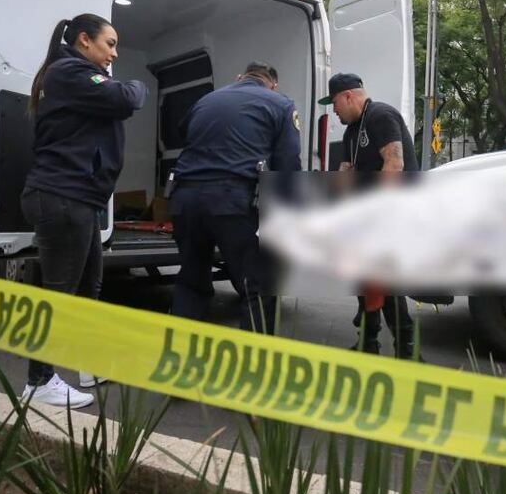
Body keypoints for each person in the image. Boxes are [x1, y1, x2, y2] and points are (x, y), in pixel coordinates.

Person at [21, 14, 148, 408]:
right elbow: (126, 98)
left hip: (79, 198)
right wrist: (139, 82)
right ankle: (38, 382)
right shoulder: (69, 72)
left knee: (89, 285)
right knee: (60, 293)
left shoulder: (75, 74)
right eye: (109, 44)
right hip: (62, 195)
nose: (113, 52)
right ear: (83, 40)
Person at [169, 62, 301, 333]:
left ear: (240, 77)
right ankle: (254, 368)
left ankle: (179, 356)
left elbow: (183, 133)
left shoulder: (206, 100)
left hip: (186, 200)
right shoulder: (280, 103)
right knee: (258, 287)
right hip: (234, 201)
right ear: (272, 84)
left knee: (191, 282)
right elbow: (287, 163)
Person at [319, 73, 421, 358]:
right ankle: (368, 342)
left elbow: (394, 163)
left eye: (335, 102)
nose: (333, 109)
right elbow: (345, 173)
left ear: (349, 95)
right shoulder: (352, 131)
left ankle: (407, 349)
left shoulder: (381, 116)